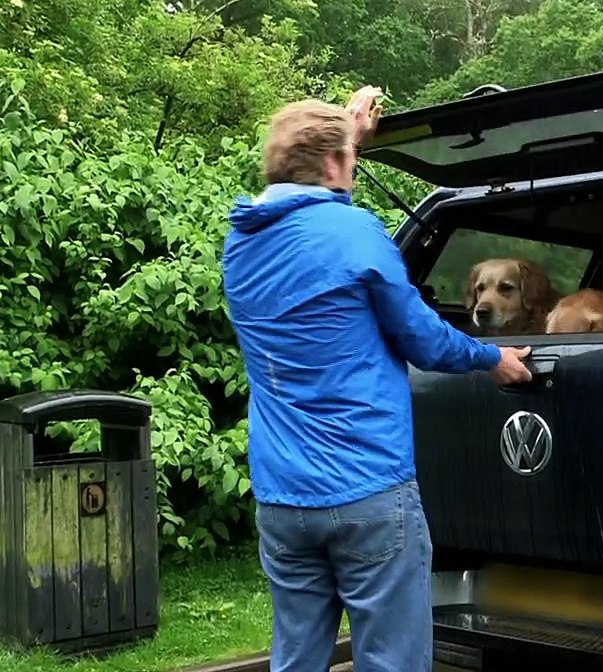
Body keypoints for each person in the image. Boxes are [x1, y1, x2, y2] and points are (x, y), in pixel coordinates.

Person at [221, 86, 533, 672]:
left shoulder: (239, 245)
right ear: (335, 164)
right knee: (393, 661)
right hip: (367, 490)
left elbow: (302, 187)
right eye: (351, 159)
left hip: (282, 499)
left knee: (296, 659)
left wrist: (346, 132)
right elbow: (422, 337)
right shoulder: (357, 234)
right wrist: (492, 359)